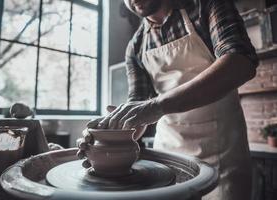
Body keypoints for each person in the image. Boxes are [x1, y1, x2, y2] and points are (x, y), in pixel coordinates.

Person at [78, 0, 259, 199]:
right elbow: (139, 108)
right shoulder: (136, 46)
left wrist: (157, 106)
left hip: (221, 153)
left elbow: (240, 61)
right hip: (169, 153)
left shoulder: (205, 6)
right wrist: (106, 135)